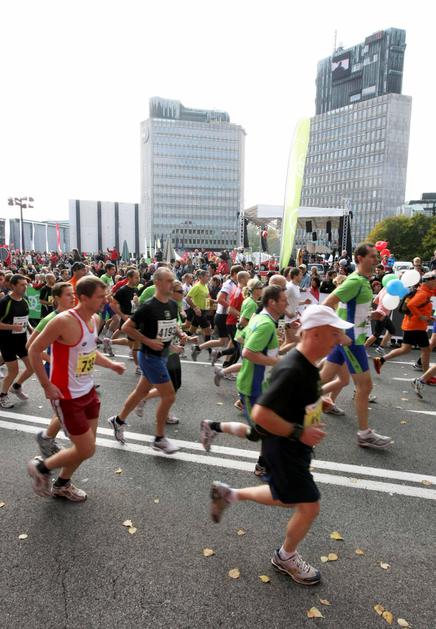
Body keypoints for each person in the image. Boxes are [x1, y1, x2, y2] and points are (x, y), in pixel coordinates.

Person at [209, 305, 353, 586]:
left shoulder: (307, 363)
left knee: (287, 495)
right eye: (334, 334)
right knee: (309, 505)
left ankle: (230, 494)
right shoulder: (293, 368)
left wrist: (316, 401)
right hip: (285, 446)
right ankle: (286, 556)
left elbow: (297, 396)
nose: (339, 340)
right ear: (315, 333)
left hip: (290, 445)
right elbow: (261, 414)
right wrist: (300, 432)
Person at [27, 276, 126, 501]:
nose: (105, 300)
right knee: (86, 449)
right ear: (84, 298)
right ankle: (41, 468)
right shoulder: (63, 321)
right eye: (100, 297)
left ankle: (62, 484)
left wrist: (111, 364)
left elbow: (89, 351)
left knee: (86, 446)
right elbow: (33, 349)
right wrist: (46, 385)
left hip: (88, 391)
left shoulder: (95, 319)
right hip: (66, 395)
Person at [201, 285, 287, 476]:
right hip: (253, 387)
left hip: (264, 385)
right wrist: (276, 361)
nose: (287, 303)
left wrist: (275, 346)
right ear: (272, 302)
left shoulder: (260, 318)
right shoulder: (265, 324)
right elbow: (247, 352)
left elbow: (241, 338)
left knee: (265, 430)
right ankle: (212, 427)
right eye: (283, 300)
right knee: (262, 432)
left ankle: (262, 464)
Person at [320, 243, 393, 448]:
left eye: (377, 256)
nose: (376, 260)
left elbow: (349, 310)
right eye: (372, 256)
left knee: (324, 379)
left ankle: (292, 403)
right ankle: (364, 434)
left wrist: (371, 315)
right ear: (359, 258)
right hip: (351, 340)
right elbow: (326, 305)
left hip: (349, 337)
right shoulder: (354, 281)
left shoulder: (363, 281)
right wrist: (338, 333)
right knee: (365, 386)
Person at [107, 267, 181, 454]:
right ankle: (159, 438)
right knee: (169, 395)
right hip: (149, 356)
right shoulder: (148, 306)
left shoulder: (173, 305)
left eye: (173, 280)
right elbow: (127, 327)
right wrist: (148, 341)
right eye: (168, 280)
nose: (172, 284)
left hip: (162, 355)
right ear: (157, 282)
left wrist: (181, 335)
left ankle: (118, 420)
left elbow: (171, 326)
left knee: (140, 392)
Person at [26, 282, 75, 457]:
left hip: (71, 371)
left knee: (67, 408)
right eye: (68, 294)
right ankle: (47, 440)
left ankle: (47, 438)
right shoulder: (50, 319)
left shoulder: (72, 315)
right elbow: (30, 346)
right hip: (55, 372)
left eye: (73, 293)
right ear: (56, 298)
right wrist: (53, 360)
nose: (73, 297)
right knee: (67, 408)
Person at [373, 271, 436, 376]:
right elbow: (411, 305)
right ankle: (426, 377)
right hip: (416, 327)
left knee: (405, 349)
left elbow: (420, 307)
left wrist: (428, 317)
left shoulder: (423, 291)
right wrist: (421, 316)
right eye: (435, 281)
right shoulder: (423, 293)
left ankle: (381, 360)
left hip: (411, 325)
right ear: (429, 281)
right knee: (426, 350)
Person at [0, 274, 33, 408]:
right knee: (13, 371)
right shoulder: (4, 302)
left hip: (22, 340)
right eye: (22, 285)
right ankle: (3, 396)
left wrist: (29, 328)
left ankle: (16, 387)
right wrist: (12, 327)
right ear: (13, 286)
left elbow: (25, 317)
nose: (25, 287)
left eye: (26, 284)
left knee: (32, 367)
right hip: (7, 341)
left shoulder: (24, 300)